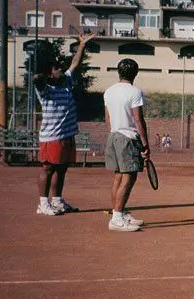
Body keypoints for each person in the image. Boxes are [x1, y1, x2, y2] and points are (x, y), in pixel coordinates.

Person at [32, 32, 96, 216]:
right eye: (57, 68)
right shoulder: (45, 89)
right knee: (48, 168)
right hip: (51, 136)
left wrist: (82, 44)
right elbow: (37, 80)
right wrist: (39, 76)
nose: (61, 69)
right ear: (50, 72)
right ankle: (43, 204)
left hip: (67, 134)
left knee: (62, 168)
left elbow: (75, 63)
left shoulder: (66, 81)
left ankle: (57, 201)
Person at [102, 58, 149, 232]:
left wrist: (114, 135)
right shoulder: (135, 92)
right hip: (128, 138)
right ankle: (117, 217)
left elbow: (107, 118)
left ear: (118, 72)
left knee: (118, 176)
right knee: (129, 177)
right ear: (135, 73)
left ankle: (119, 214)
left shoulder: (109, 91)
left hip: (113, 136)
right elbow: (138, 119)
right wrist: (145, 144)